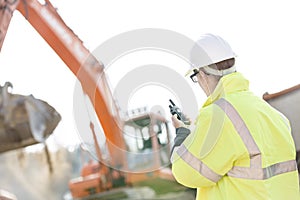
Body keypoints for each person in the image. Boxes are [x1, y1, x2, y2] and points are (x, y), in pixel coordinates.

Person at [170, 33, 300, 199]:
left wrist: (182, 134)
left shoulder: (217, 116)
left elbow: (186, 172)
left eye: (195, 77)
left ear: (201, 73)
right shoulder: (273, 115)